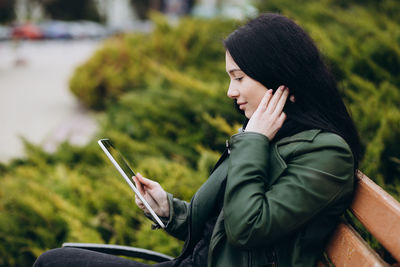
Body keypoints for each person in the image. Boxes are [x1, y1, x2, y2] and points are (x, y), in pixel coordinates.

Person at [33, 13, 361, 267]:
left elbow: (246, 228)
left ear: (278, 75)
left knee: (54, 262)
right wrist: (169, 211)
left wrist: (253, 141)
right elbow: (222, 227)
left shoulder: (326, 153)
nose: (231, 92)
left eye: (239, 78)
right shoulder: (269, 137)